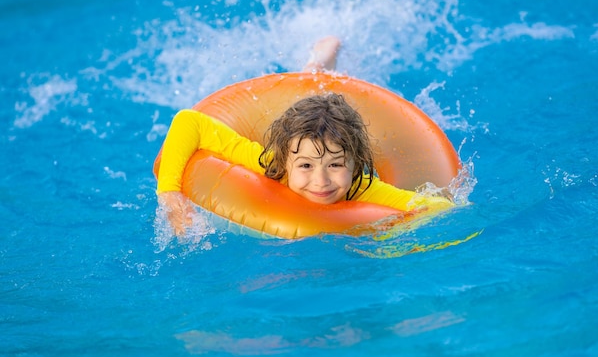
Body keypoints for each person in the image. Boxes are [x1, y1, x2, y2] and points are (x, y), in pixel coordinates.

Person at [157, 36, 453, 235]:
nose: (321, 181)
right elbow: (189, 121)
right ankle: (320, 59)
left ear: (356, 164)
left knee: (325, 93)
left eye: (336, 165)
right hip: (292, 122)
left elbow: (440, 208)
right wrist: (168, 193)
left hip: (326, 132)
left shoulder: (364, 189)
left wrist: (390, 235)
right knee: (310, 81)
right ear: (286, 163)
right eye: (306, 166)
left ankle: (323, 64)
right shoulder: (268, 163)